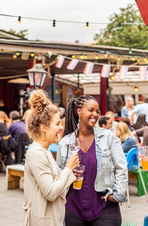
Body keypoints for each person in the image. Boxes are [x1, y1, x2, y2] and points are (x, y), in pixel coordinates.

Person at [57, 95, 128, 225]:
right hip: (74, 207)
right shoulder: (66, 142)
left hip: (105, 207)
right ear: (79, 111)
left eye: (97, 111)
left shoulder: (108, 137)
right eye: (91, 110)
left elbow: (121, 167)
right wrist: (68, 172)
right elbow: (59, 170)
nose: (95, 114)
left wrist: (117, 194)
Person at [23, 90, 79, 226]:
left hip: (50, 217)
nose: (61, 128)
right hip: (43, 219)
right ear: (43, 127)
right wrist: (68, 168)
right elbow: (51, 192)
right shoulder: (37, 153)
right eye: (57, 124)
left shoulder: (44, 149)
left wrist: (71, 174)